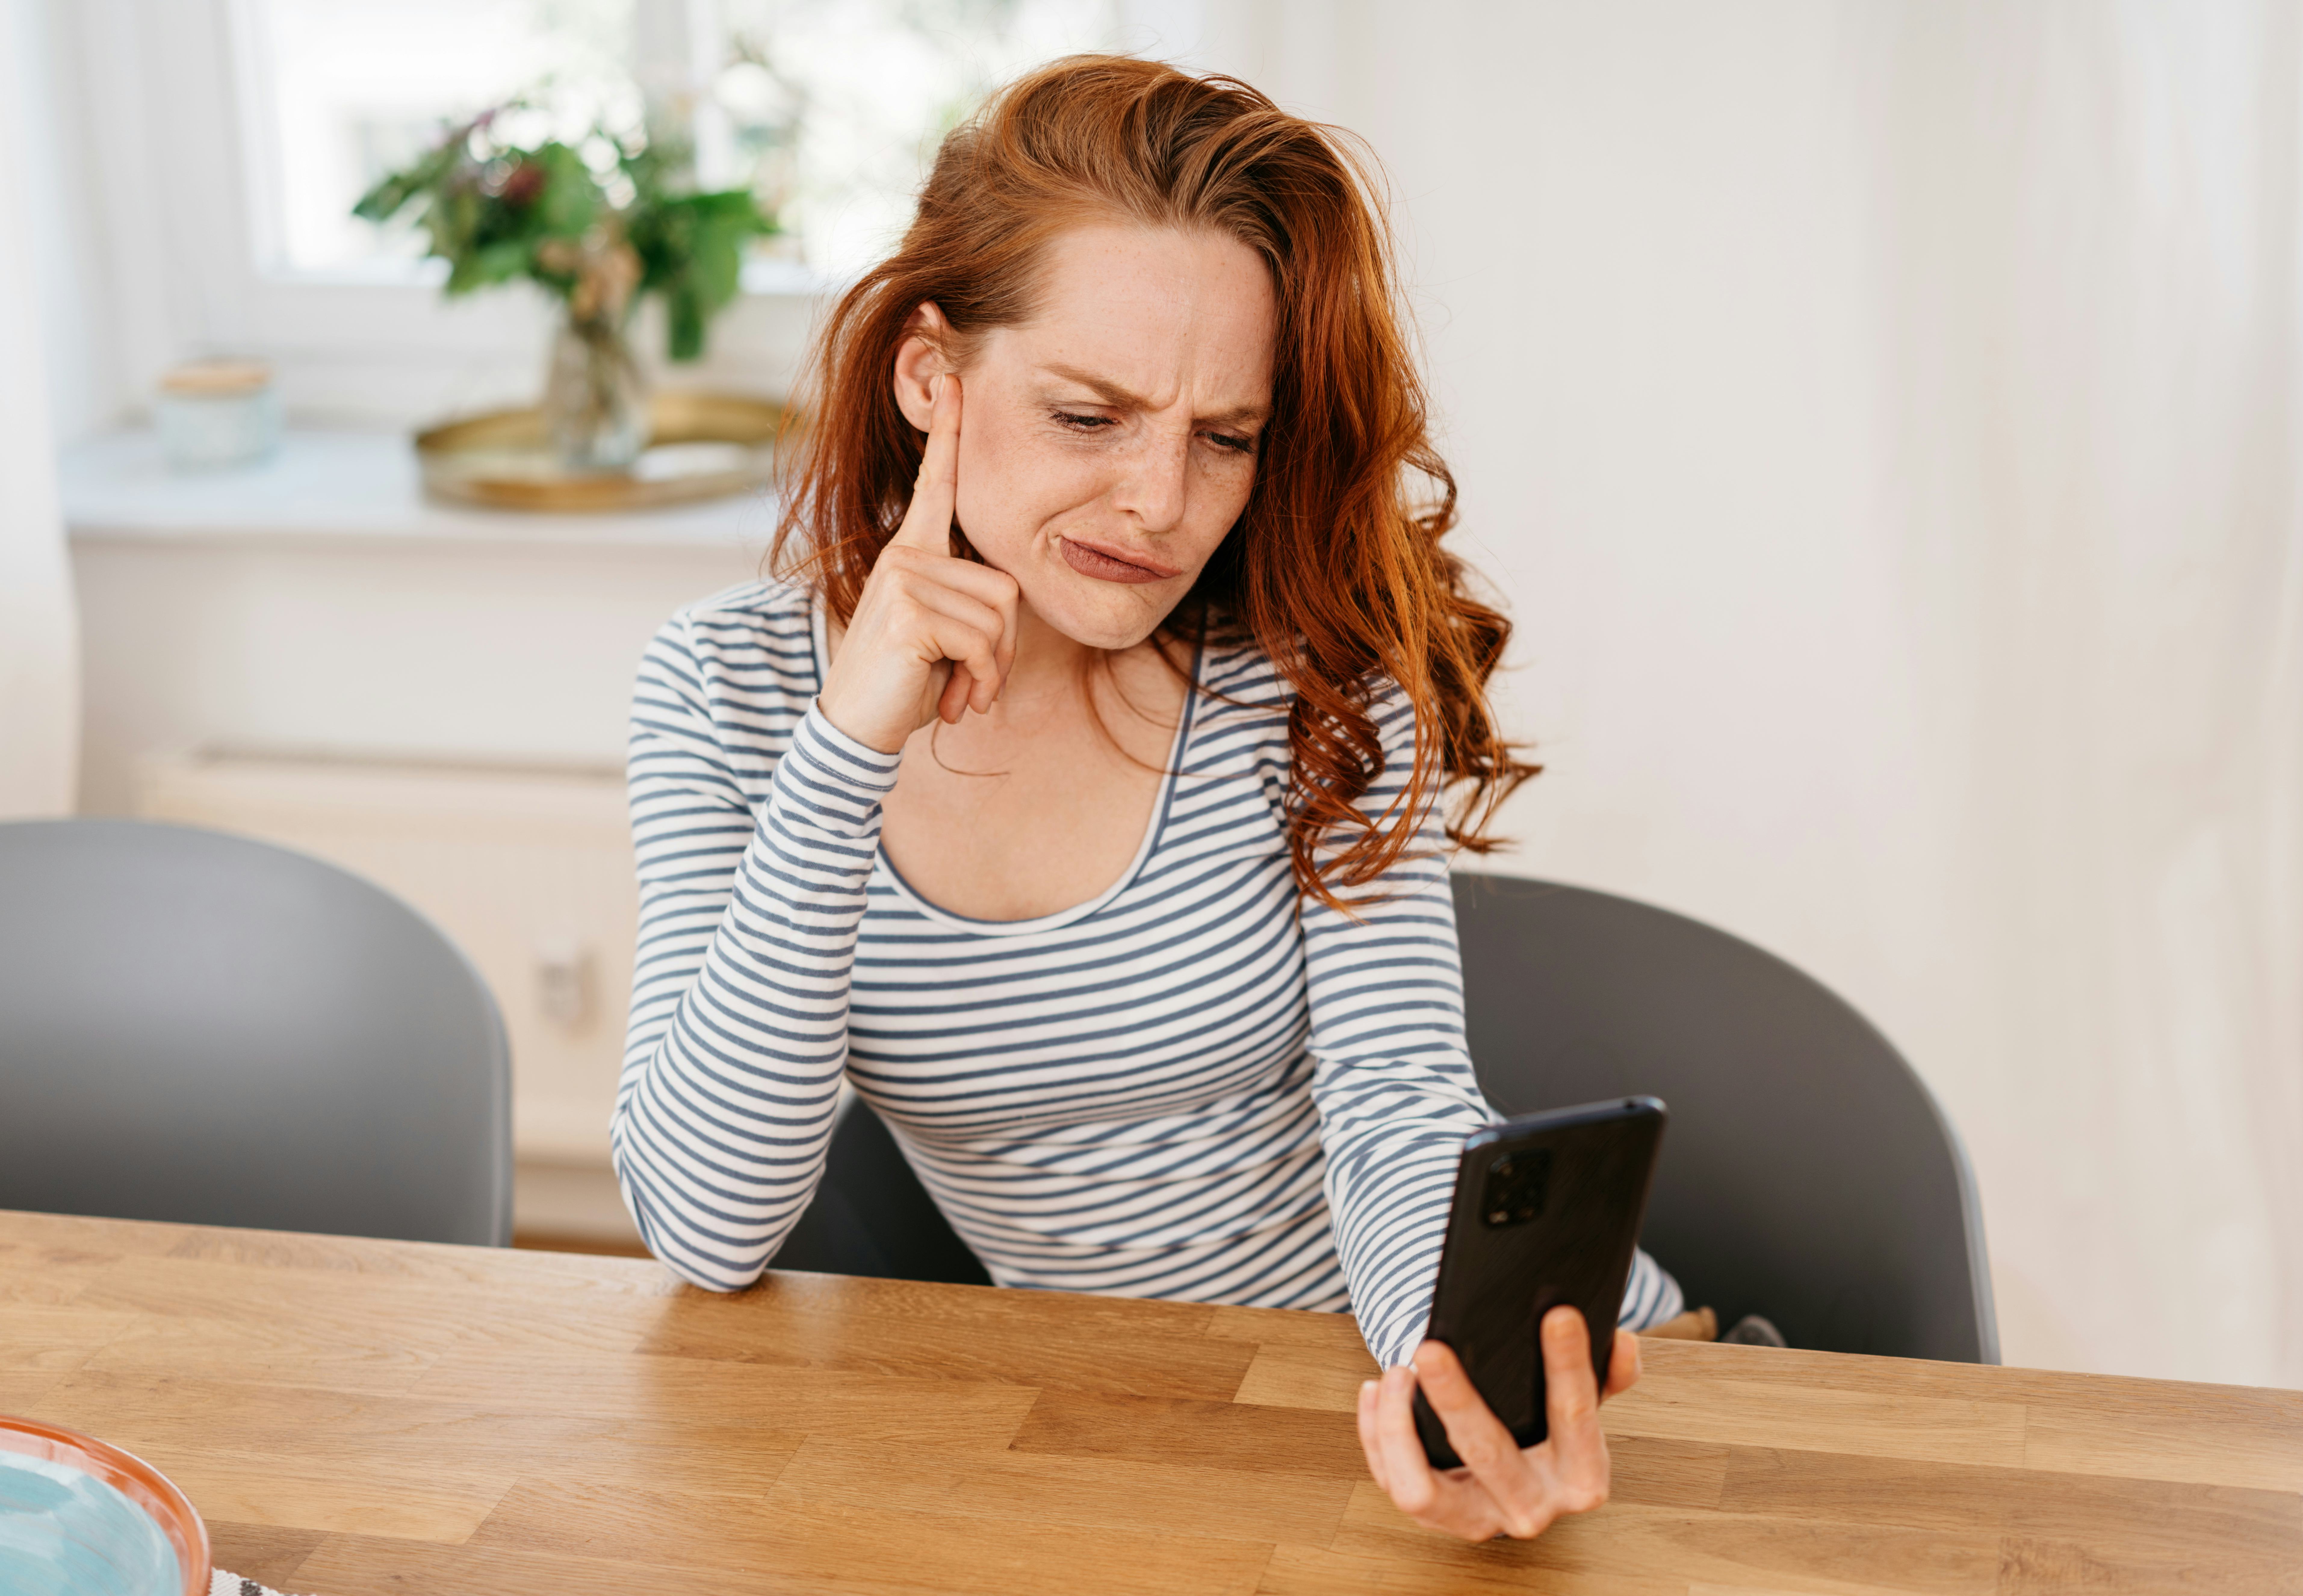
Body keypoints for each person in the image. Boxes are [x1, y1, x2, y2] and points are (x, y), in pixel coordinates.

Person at [611, 54, 1688, 1542]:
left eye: (1224, 437)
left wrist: (1448, 1396)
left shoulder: (1309, 674)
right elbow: (704, 1220)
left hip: (1486, 1399)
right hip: (1152, 1452)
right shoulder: (723, 694)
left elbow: (1394, 1112)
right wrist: (846, 747)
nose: (1159, 505)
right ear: (933, 375)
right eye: (1086, 417)